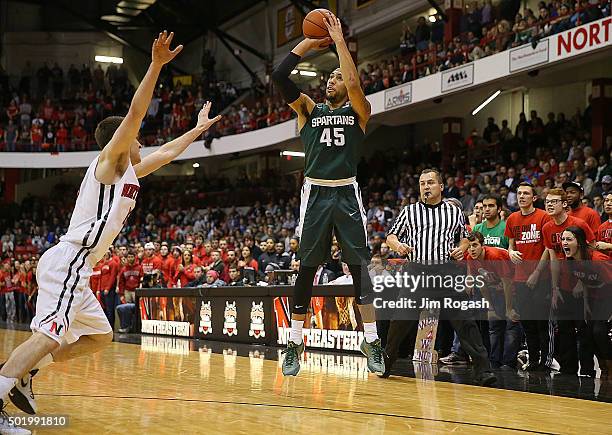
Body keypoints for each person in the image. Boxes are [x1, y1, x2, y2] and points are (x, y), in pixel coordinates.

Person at [0, 31, 221, 427]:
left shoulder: (130, 172)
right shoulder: (110, 164)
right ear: (125, 140)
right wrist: (155, 65)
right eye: (136, 138)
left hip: (77, 268)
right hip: (71, 259)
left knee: (100, 336)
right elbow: (135, 114)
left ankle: (23, 374)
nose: (143, 143)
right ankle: (2, 389)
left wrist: (197, 129)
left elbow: (168, 153)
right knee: (49, 335)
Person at [272, 12, 384, 376]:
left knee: (359, 269)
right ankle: (295, 342)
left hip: (347, 193)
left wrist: (338, 41)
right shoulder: (308, 109)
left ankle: (371, 339)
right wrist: (307, 42)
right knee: (306, 268)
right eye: (329, 78)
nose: (332, 81)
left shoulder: (358, 111)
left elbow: (353, 81)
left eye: (336, 76)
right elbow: (277, 76)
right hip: (316, 193)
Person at [384, 169, 496, 386]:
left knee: (465, 322)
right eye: (422, 183)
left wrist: (460, 249)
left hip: (446, 271)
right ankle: (385, 362)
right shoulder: (409, 212)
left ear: (441, 187)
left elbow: (464, 238)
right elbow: (391, 236)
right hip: (417, 271)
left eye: (431, 182)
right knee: (400, 321)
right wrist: (398, 245)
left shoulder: (453, 212)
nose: (426, 186)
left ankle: (483, 370)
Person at [542, 189, 596, 375]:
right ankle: (568, 371)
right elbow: (553, 260)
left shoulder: (578, 224)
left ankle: (588, 370)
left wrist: (583, 281)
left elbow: (591, 252)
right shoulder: (547, 228)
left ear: (564, 204)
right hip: (563, 286)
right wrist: (555, 287)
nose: (549, 204)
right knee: (564, 331)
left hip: (583, 285)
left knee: (584, 329)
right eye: (547, 201)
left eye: (554, 201)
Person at [505, 182, 554, 371]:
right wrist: (510, 252)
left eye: (526, 193)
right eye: (519, 193)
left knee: (542, 324)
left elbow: (547, 248)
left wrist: (536, 273)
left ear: (534, 198)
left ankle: (546, 362)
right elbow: (511, 244)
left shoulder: (543, 216)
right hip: (519, 278)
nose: (521, 196)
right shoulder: (512, 218)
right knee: (528, 323)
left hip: (541, 278)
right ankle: (533, 360)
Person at [561, 226, 612, 378]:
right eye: (563, 239)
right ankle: (604, 368)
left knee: (599, 332)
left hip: (608, 296)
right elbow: (584, 281)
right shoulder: (570, 260)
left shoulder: (597, 259)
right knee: (588, 333)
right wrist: (586, 305)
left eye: (569, 239)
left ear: (580, 243)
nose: (564, 243)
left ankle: (610, 369)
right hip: (594, 299)